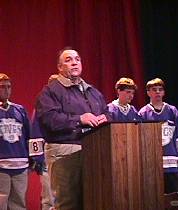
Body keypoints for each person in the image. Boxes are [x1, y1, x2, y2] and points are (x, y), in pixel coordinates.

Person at [35, 47, 110, 210]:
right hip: (65, 151)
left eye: (77, 59)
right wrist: (79, 119)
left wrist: (106, 118)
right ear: (60, 68)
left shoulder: (93, 92)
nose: (74, 62)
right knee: (68, 203)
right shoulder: (50, 91)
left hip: (93, 150)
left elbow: (106, 111)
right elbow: (49, 119)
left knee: (94, 200)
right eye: (68, 60)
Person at [138, 78, 178, 197]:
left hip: (172, 165)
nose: (158, 92)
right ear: (148, 92)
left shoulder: (173, 111)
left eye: (160, 90)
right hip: (152, 165)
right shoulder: (143, 113)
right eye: (154, 90)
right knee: (154, 199)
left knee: (177, 200)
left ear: (164, 92)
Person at [0, 73, 30, 210]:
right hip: (1, 165)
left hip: (20, 164)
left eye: (8, 87)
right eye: (2, 87)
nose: (6, 90)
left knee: (19, 203)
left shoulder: (20, 110)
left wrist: (32, 159)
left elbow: (28, 135)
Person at [30, 74, 59, 210]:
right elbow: (35, 133)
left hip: (63, 156)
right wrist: (38, 159)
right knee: (48, 197)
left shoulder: (67, 107)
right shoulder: (41, 107)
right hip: (47, 158)